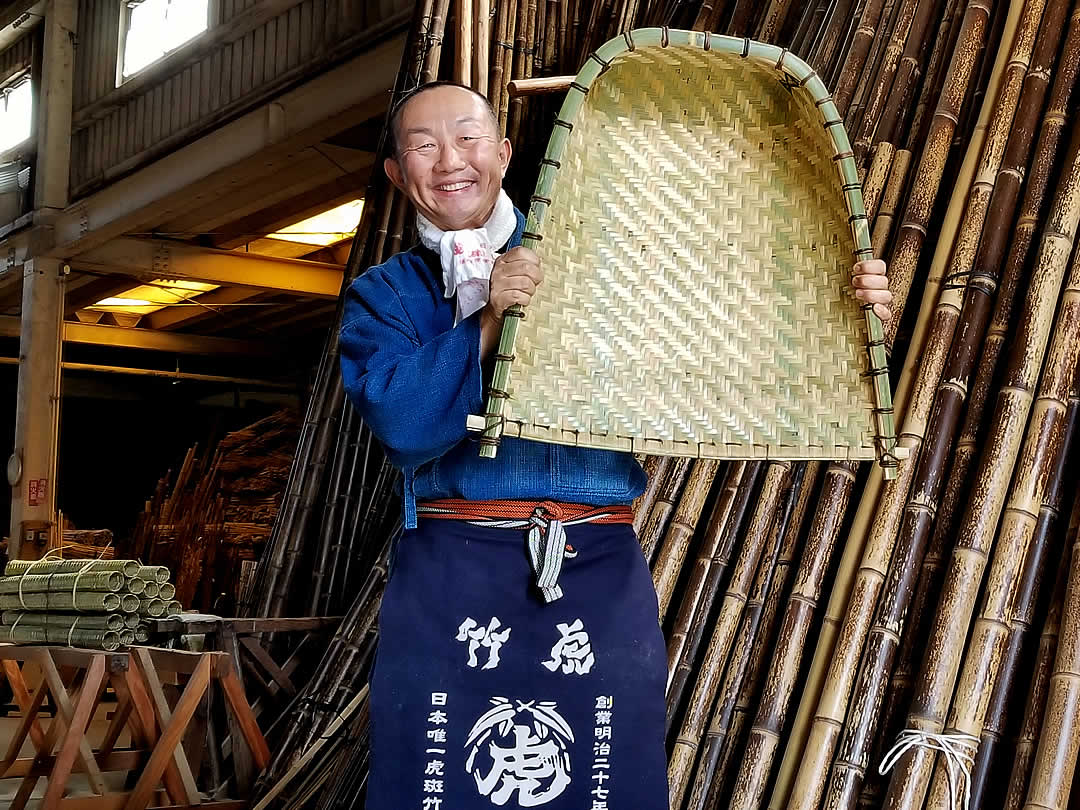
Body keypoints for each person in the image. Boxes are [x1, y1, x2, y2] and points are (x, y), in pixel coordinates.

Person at [339, 81, 893, 810]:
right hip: (453, 569)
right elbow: (398, 418)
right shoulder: (385, 294)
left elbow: (724, 348)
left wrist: (837, 305)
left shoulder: (600, 263)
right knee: (439, 779)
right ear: (395, 172)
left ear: (504, 154)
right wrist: (488, 325)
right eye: (423, 145)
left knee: (604, 774)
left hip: (595, 568)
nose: (450, 160)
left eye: (469, 138)